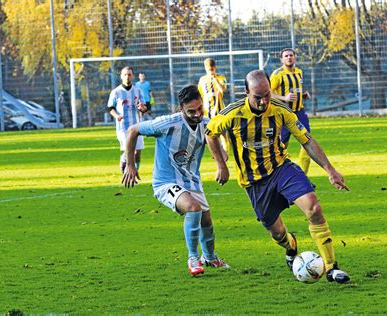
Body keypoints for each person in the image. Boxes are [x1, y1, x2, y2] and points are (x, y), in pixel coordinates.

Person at [205, 70, 350, 284]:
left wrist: (330, 170)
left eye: (267, 95)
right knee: (277, 233)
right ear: (246, 92)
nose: (264, 101)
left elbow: (307, 140)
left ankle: (331, 267)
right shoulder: (232, 113)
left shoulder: (280, 109)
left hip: (282, 169)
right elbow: (210, 133)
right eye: (258, 97)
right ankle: (290, 247)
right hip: (254, 182)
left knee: (314, 207)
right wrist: (221, 164)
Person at [122, 85, 230, 277]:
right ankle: (193, 258)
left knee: (206, 220)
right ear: (181, 108)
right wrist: (130, 165)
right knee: (193, 208)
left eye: (199, 109)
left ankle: (211, 257)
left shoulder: (206, 123)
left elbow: (220, 132)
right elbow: (132, 130)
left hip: (192, 182)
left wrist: (222, 153)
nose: (197, 114)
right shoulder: (166, 124)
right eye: (191, 111)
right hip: (165, 182)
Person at [270, 48, 312, 177]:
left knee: (307, 143)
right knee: (281, 147)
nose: (289, 57)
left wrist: (303, 95)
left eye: (291, 55)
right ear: (282, 59)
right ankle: (276, 176)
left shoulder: (299, 72)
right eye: (286, 56)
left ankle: (303, 177)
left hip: (300, 113)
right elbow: (268, 94)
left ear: (295, 57)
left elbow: (294, 89)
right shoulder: (277, 74)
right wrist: (284, 99)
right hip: (283, 115)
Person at [107, 66, 147, 174]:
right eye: (125, 74)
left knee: (137, 152)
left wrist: (142, 108)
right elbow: (110, 108)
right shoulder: (116, 92)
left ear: (132, 76)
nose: (127, 77)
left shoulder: (138, 91)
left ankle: (132, 169)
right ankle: (128, 172)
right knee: (129, 150)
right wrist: (116, 116)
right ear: (121, 76)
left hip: (137, 126)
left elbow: (144, 107)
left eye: (129, 74)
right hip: (123, 127)